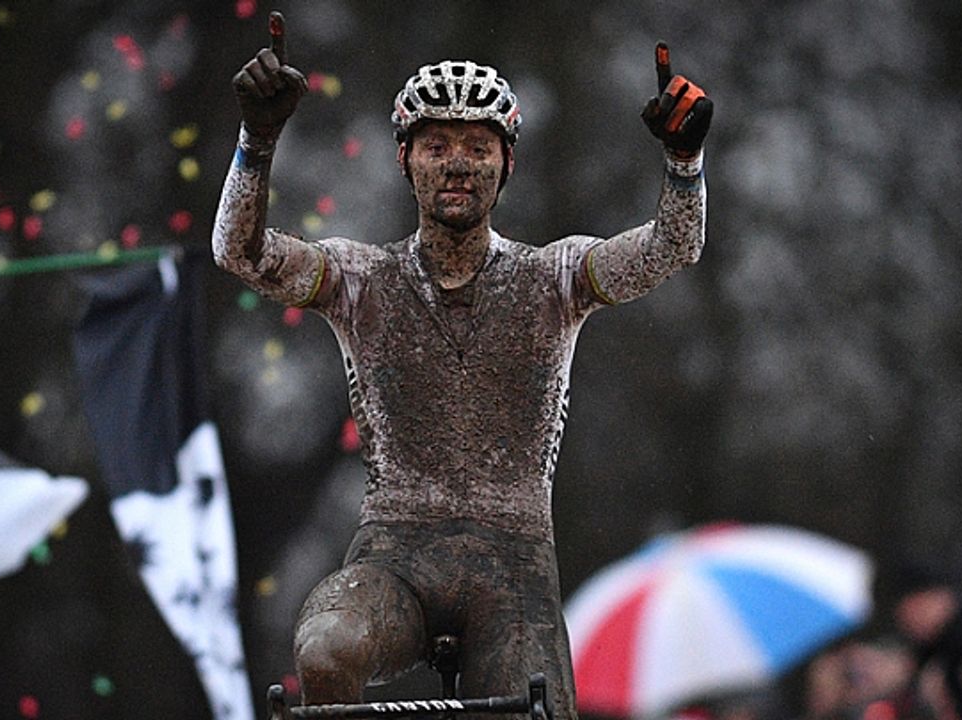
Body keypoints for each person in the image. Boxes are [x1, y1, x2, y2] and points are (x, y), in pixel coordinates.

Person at [212, 12, 713, 718]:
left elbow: (669, 249)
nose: (457, 163)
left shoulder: (553, 278)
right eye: (436, 145)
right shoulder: (361, 279)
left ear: (507, 165)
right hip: (393, 555)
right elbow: (240, 253)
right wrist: (256, 141)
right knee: (325, 648)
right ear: (404, 159)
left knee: (538, 708)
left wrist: (684, 164)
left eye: (478, 147)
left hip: (514, 564)